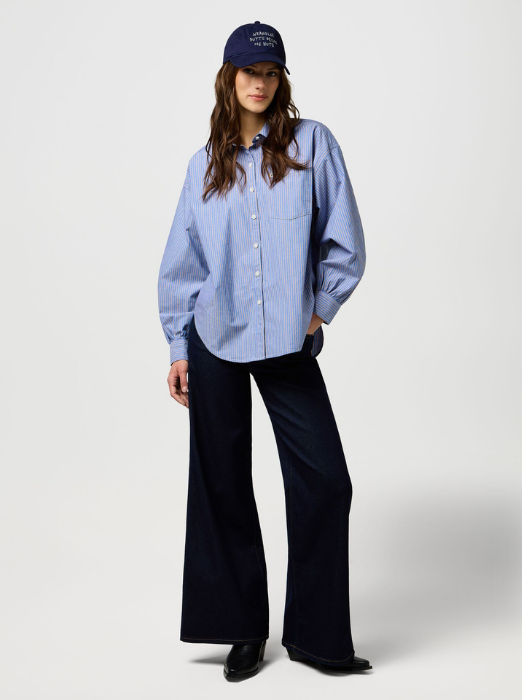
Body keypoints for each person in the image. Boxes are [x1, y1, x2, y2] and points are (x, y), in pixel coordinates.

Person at [157, 20, 372, 682]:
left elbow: (344, 239)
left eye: (271, 72)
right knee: (220, 482)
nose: (260, 82)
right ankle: (240, 630)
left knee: (325, 481)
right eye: (249, 72)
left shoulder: (312, 144)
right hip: (214, 337)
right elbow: (183, 264)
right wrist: (178, 344)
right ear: (229, 78)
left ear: (281, 79)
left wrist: (318, 310)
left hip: (286, 339)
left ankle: (315, 636)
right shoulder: (203, 166)